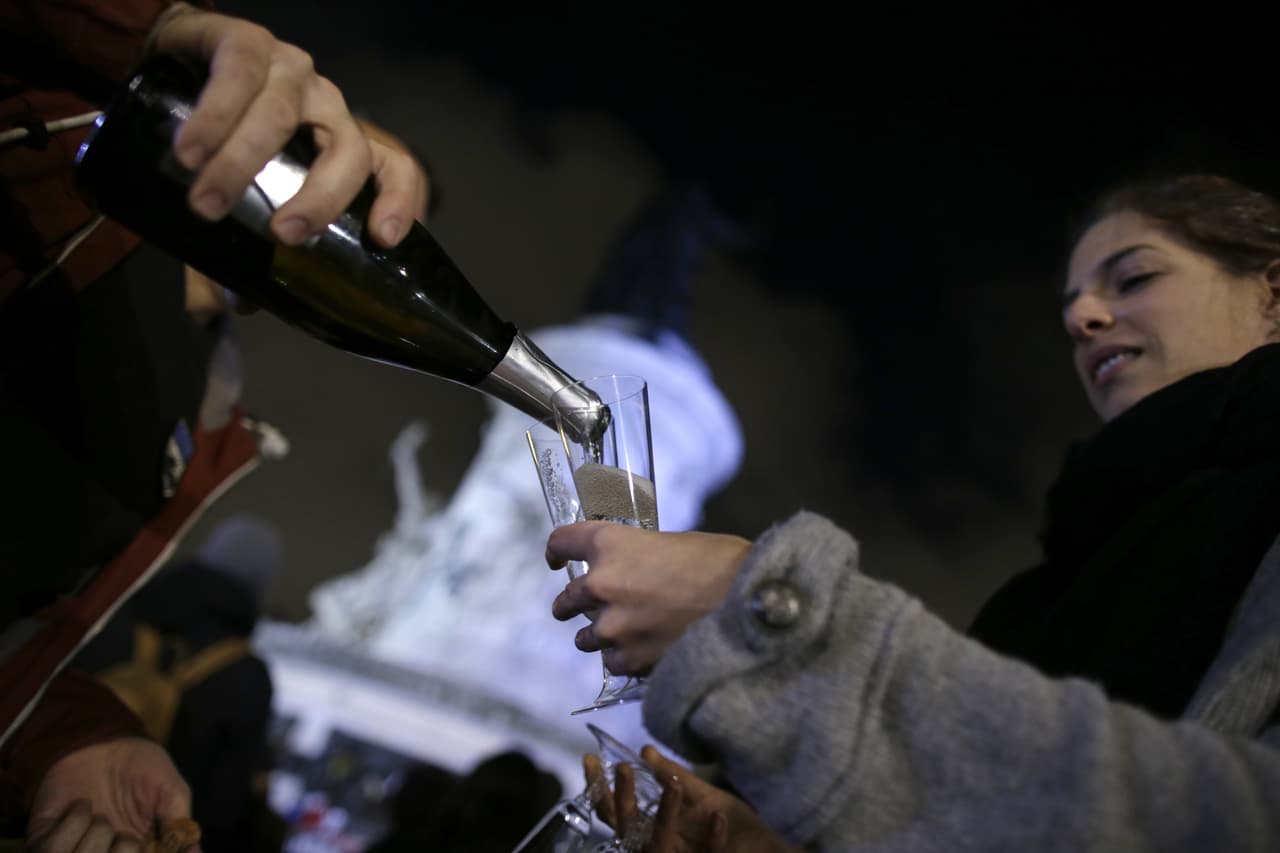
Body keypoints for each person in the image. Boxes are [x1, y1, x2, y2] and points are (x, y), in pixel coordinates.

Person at [547, 174, 1280, 849]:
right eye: (1071, 304)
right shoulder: (1054, 577)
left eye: (1136, 277)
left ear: (1271, 294)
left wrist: (779, 625)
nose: (1085, 316)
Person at [0, 2, 428, 849]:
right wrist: (148, 31)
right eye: (335, 159)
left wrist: (71, 740)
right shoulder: (64, 167)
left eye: (372, 226)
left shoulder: (201, 427)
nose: (332, 204)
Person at [73, 516, 282, 853]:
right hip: (146, 837)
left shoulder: (118, 613)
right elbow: (223, 802)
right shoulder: (247, 675)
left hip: (63, 800)